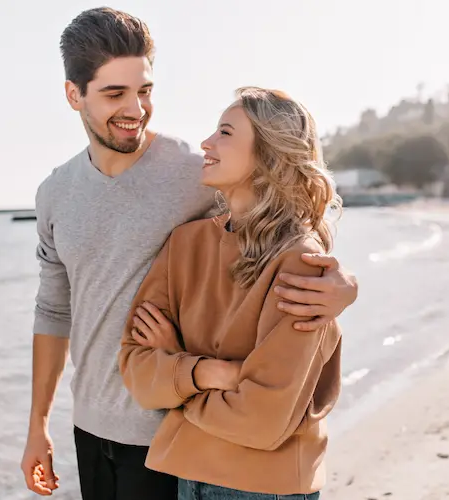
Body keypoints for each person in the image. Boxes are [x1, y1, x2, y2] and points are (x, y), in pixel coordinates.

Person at [20, 8, 359, 500]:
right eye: (114, 94)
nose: (135, 108)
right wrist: (38, 426)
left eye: (145, 91)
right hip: (93, 426)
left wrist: (345, 286)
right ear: (75, 95)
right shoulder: (55, 193)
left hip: (176, 435)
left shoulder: (193, 172)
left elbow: (283, 220)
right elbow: (53, 310)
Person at [119, 87, 341, 500]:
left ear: (268, 155)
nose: (206, 142)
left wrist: (177, 377)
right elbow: (136, 370)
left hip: (265, 488)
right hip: (187, 477)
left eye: (225, 132)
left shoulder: (300, 263)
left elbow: (261, 419)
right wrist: (208, 372)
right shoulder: (184, 244)